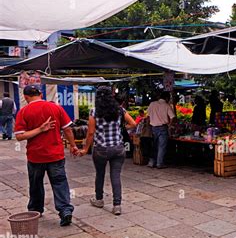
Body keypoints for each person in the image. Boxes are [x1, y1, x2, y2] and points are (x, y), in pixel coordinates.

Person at [14, 85, 78, 226]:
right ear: (41, 94)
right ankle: (65, 210)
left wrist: (38, 130)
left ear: (25, 97)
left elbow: (19, 136)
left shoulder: (23, 112)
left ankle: (36, 209)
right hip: (56, 155)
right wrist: (73, 146)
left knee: (36, 184)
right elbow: (67, 130)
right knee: (60, 183)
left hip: (35, 156)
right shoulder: (56, 108)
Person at [79, 86, 136, 215]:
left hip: (101, 149)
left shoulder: (94, 112)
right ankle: (117, 205)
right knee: (115, 176)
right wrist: (121, 128)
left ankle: (99, 200)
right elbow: (133, 124)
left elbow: (91, 133)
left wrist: (85, 149)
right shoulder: (120, 110)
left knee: (100, 174)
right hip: (118, 148)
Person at [147, 91, 176, 169]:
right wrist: (169, 125)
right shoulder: (167, 105)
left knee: (154, 145)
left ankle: (151, 162)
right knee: (161, 146)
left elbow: (148, 116)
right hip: (163, 128)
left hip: (153, 127)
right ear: (167, 98)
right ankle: (159, 163)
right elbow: (172, 117)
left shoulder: (152, 104)